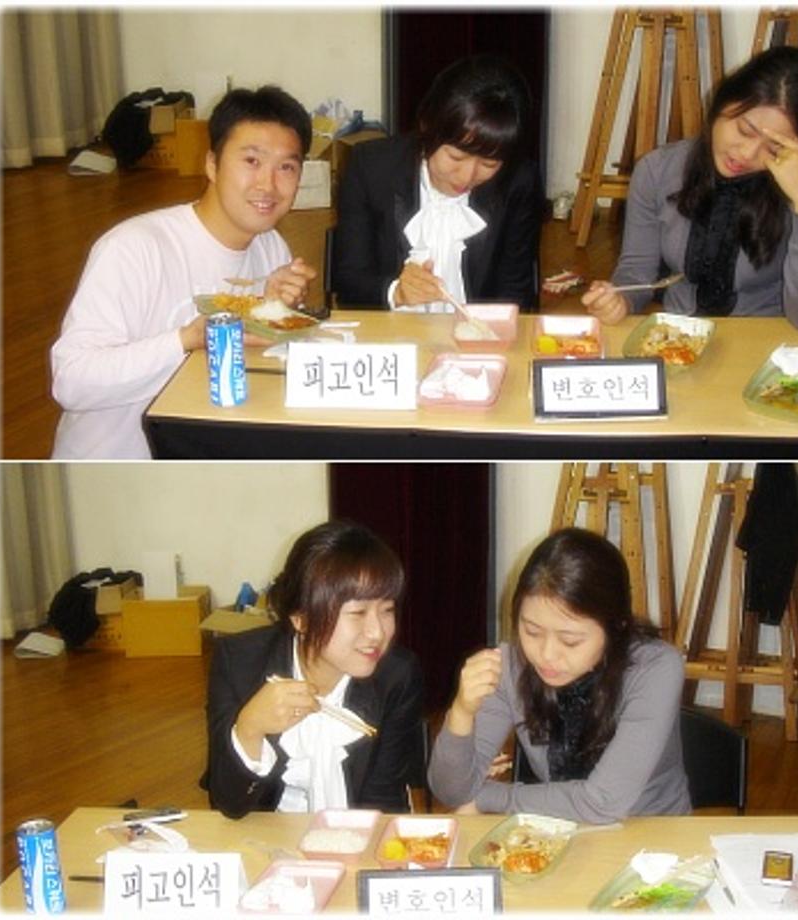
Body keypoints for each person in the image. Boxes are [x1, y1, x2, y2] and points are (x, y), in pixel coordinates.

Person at [50, 84, 318, 459]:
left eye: (286, 167)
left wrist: (276, 316)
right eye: (251, 161)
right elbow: (71, 382)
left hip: (206, 448)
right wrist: (187, 339)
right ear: (211, 164)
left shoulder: (271, 247)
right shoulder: (134, 248)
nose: (268, 185)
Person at [428, 527, 690, 824]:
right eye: (532, 631)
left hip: (653, 834)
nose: (547, 654)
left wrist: (487, 796)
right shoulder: (510, 665)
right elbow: (451, 792)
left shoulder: (655, 667)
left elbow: (603, 802)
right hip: (557, 829)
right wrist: (462, 712)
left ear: (616, 627)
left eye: (570, 641)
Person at [582, 46, 798, 332]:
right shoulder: (658, 170)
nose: (748, 153)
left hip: (768, 339)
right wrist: (620, 301)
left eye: (775, 147)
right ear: (720, 103)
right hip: (678, 337)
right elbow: (636, 274)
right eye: (745, 130)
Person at [203, 520, 423, 819]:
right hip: (264, 833)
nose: (377, 632)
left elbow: (382, 800)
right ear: (301, 619)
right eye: (358, 613)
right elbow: (229, 804)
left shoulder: (396, 675)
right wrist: (250, 728)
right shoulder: (240, 662)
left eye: (387, 610)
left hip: (354, 832)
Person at [333, 54, 544, 312]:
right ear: (427, 127)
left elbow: (515, 290)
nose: (467, 177)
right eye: (456, 157)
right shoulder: (371, 167)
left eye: (489, 164)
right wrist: (395, 291)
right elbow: (350, 283)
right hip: (389, 331)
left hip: (477, 332)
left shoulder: (519, 181)